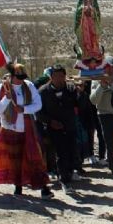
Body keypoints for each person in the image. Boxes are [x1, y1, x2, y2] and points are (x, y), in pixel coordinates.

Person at [0, 64, 53, 198]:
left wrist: (24, 109)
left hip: (27, 127)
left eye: (22, 77)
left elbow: (38, 104)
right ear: (12, 76)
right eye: (18, 77)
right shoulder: (1, 87)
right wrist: (6, 99)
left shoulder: (29, 86)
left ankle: (43, 188)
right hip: (9, 129)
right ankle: (18, 186)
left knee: (34, 157)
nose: (21, 80)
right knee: (15, 160)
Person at [37, 64, 79, 194]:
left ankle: (67, 174)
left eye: (61, 76)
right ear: (51, 77)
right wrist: (50, 122)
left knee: (72, 154)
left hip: (70, 127)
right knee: (62, 154)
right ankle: (65, 181)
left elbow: (80, 105)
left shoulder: (71, 89)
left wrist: (80, 93)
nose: (59, 79)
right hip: (53, 129)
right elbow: (38, 113)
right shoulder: (43, 92)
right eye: (56, 76)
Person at [90, 56, 113, 177]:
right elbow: (93, 100)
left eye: (112, 67)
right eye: (107, 67)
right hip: (104, 114)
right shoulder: (97, 78)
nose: (110, 70)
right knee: (110, 143)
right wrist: (102, 86)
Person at [75, 0, 103, 65]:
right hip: (84, 21)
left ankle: (94, 51)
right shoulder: (81, 0)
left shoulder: (94, 0)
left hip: (92, 20)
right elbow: (78, 10)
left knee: (93, 35)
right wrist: (82, 9)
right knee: (86, 35)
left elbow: (97, 10)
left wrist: (93, 10)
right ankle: (86, 51)